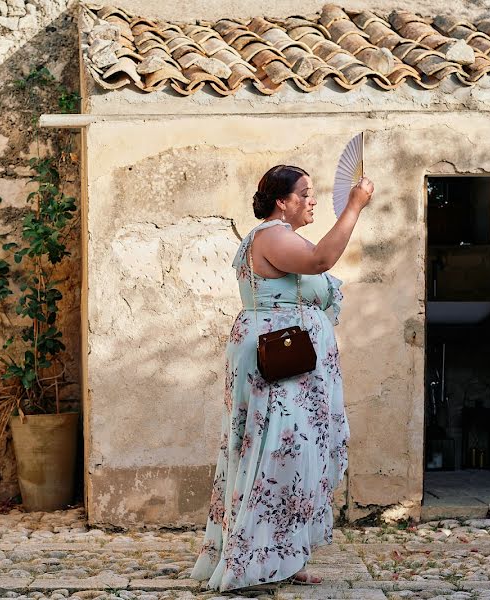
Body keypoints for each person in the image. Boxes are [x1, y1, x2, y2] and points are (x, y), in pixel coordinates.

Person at [191, 165, 374, 591]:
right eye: (305, 193)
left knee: (292, 459)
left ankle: (284, 558)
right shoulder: (271, 235)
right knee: (278, 457)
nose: (312, 200)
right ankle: (252, 562)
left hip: (292, 364)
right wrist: (354, 206)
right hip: (279, 363)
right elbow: (321, 261)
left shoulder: (283, 236)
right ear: (281, 201)